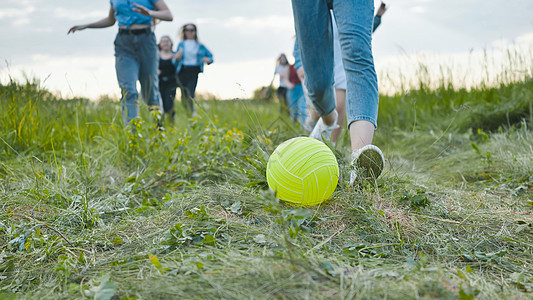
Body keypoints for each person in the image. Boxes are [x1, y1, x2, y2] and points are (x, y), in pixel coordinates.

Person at [291, 0, 385, 184]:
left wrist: (379, 17)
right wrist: (299, 63)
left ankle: (360, 159)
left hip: (343, 65)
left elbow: (368, 28)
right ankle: (327, 121)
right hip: (325, 63)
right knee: (318, 86)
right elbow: (298, 43)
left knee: (358, 52)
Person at [68, 0, 173, 127]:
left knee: (150, 91)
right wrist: (87, 25)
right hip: (124, 44)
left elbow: (168, 15)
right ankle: (132, 135)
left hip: (146, 41)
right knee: (128, 90)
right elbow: (110, 20)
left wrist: (149, 13)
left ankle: (159, 128)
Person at [174, 23, 214, 116]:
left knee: (190, 93)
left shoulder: (199, 45)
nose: (189, 32)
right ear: (184, 32)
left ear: (195, 32)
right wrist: (177, 57)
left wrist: (207, 60)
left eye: (192, 30)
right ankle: (186, 112)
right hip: (182, 70)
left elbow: (211, 57)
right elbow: (174, 60)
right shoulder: (181, 44)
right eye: (187, 30)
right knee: (183, 94)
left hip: (194, 70)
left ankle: (191, 113)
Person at [157, 35, 178, 122]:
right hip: (159, 83)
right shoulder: (156, 56)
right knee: (158, 103)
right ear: (160, 44)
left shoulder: (175, 56)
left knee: (169, 103)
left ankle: (171, 124)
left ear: (171, 43)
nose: (165, 43)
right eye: (163, 41)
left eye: (167, 41)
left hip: (171, 83)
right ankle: (159, 125)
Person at [280, 61, 307, 127]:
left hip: (301, 88)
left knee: (302, 107)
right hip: (292, 89)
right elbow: (285, 79)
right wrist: (289, 85)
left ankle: (304, 126)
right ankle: (294, 125)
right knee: (293, 109)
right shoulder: (289, 67)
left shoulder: (304, 65)